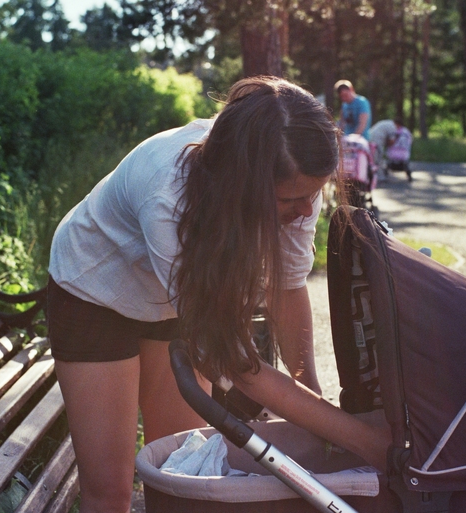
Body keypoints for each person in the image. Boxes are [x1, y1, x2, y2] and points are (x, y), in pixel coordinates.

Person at [47, 76, 389, 513]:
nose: (307, 211)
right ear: (241, 185)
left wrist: (312, 401)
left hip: (174, 292)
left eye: (313, 196)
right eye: (293, 201)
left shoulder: (296, 178)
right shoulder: (170, 193)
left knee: (186, 470)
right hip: (94, 290)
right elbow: (236, 363)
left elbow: (287, 289)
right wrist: (362, 440)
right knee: (111, 491)